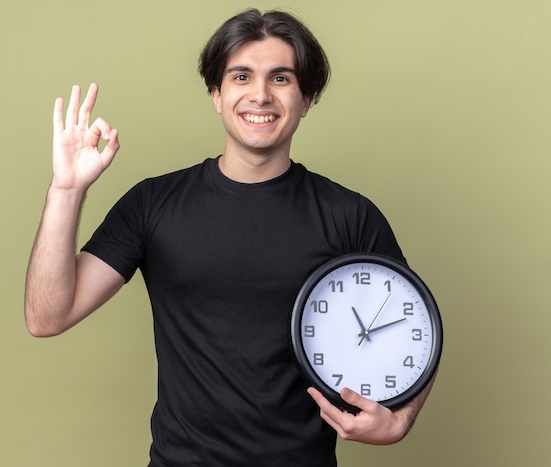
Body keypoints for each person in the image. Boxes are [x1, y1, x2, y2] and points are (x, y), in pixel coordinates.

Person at [25, 8, 435, 466]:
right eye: (241, 77)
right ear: (217, 94)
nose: (259, 95)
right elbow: (47, 316)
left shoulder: (349, 215)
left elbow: (418, 332)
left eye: (281, 78)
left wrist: (401, 420)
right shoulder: (152, 204)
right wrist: (66, 190)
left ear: (307, 97)